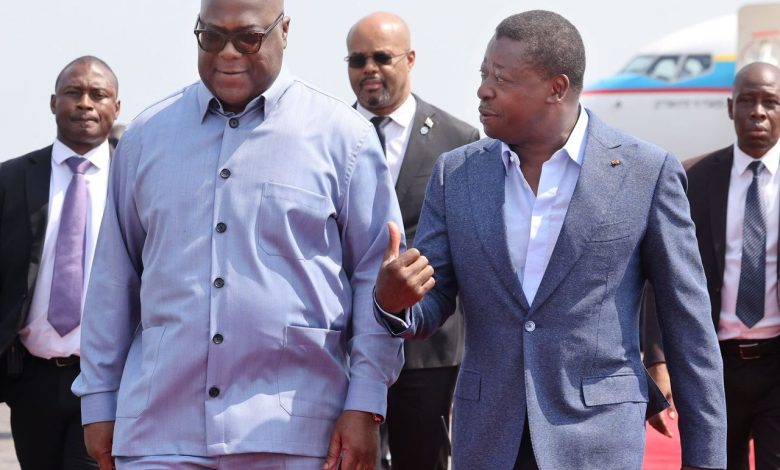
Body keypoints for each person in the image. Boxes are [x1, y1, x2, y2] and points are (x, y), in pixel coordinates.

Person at [373, 10, 727, 470]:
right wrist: (394, 302)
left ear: (556, 88)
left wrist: (705, 458)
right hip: (488, 438)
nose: (483, 89)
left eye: (501, 77)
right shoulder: (455, 174)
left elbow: (689, 326)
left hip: (597, 440)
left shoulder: (646, 173)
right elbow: (433, 302)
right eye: (483, 74)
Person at [71, 0, 403, 469]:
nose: (228, 53)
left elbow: (375, 278)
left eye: (248, 38)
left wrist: (366, 403)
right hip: (160, 433)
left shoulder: (345, 139)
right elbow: (113, 279)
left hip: (298, 436)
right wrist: (99, 400)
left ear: (284, 31)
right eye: (211, 36)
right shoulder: (145, 138)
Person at [345, 12, 479, 470]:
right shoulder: (327, 135)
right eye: (357, 60)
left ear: (410, 59)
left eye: (382, 57)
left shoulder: (458, 140)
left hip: (428, 348)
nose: (369, 69)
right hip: (345, 343)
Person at [644, 62, 780, 470]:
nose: (758, 112)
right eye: (747, 101)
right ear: (730, 107)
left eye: (770, 102)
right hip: (710, 365)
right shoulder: (691, 177)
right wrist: (657, 360)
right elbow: (660, 274)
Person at [0, 55, 120, 469]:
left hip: (108, 379)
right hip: (31, 378)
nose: (85, 103)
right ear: (54, 102)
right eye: (73, 92)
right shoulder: (11, 179)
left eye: (98, 94)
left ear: (116, 107)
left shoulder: (135, 177)